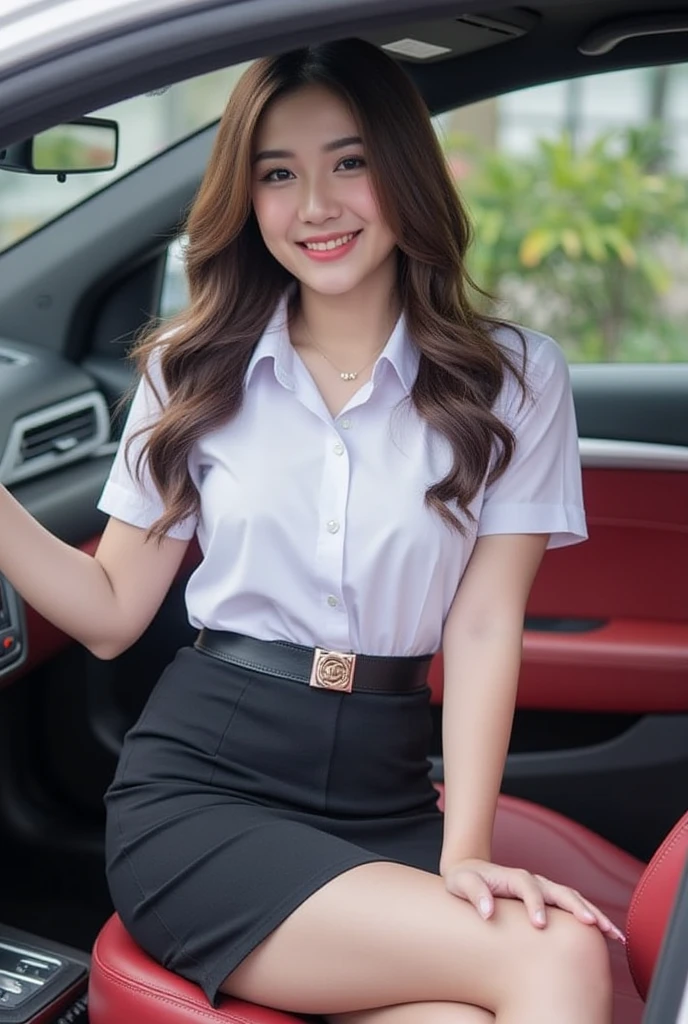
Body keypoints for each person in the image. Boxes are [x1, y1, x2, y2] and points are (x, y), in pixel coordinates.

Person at [0, 38, 624, 1024]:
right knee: (562, 964)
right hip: (205, 793)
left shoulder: (514, 377)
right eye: (277, 175)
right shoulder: (192, 367)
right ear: (245, 200)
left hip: (387, 792)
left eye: (349, 162)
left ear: (404, 171)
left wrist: (465, 850)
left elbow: (481, 626)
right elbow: (113, 611)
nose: (316, 206)